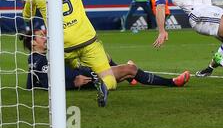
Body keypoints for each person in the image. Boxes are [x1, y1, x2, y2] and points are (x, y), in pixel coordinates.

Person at [23, 0, 115, 107]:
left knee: (64, 68)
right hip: (87, 39)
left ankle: (76, 71)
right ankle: (103, 84)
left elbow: (27, 15)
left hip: (62, 45)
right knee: (109, 78)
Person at [22, 29, 190, 90]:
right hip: (87, 77)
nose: (45, 38)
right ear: (32, 43)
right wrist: (72, 83)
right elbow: (45, 82)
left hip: (84, 72)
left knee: (106, 57)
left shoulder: (36, 59)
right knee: (130, 69)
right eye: (40, 37)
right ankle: (172, 82)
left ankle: (131, 77)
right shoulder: (40, 60)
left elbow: (31, 84)